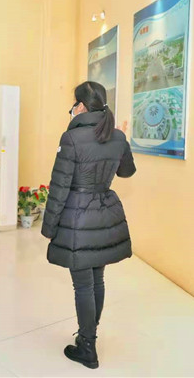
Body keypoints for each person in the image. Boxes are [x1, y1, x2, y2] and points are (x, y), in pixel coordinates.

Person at [41, 81, 136, 370]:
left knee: (83, 285)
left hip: (77, 216)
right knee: (97, 279)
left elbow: (60, 186)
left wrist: (49, 227)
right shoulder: (116, 135)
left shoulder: (72, 138)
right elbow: (127, 172)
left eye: (74, 103)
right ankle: (89, 334)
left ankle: (87, 346)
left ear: (81, 106)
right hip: (104, 213)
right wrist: (123, 141)